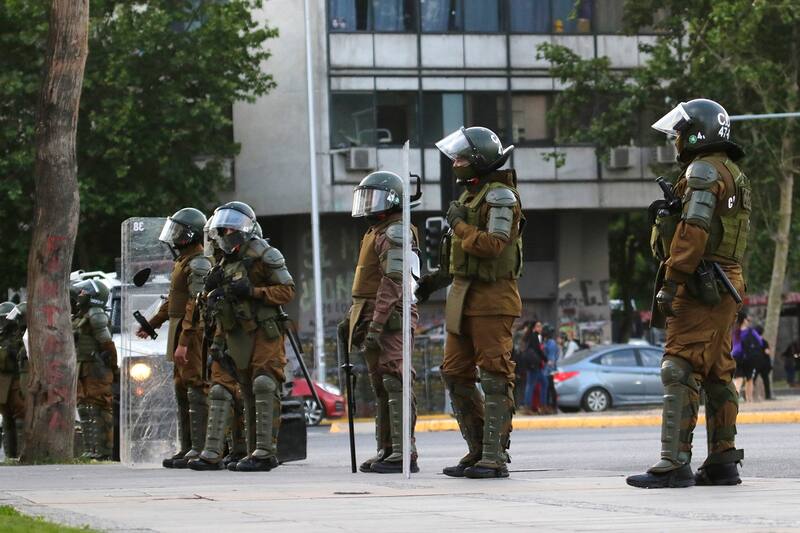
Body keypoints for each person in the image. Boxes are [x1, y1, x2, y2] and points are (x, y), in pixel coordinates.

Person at [628, 99, 750, 488]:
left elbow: (693, 231)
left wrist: (672, 281)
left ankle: (674, 463)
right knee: (717, 370)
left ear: (697, 134)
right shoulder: (732, 172)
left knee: (679, 365)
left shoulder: (701, 170)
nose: (676, 140)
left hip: (702, 281)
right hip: (725, 279)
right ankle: (722, 461)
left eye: (680, 132)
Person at [417, 126, 524, 478]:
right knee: (454, 373)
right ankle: (477, 448)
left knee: (494, 375)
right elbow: (456, 259)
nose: (456, 164)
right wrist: (429, 284)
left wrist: (461, 227)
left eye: (462, 158)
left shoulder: (501, 197)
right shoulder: (468, 198)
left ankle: (494, 456)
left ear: (479, 160)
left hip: (492, 297)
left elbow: (493, 246)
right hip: (462, 296)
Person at [187, 201, 295, 472]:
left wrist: (254, 292)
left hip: (263, 331)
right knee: (225, 388)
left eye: (229, 228)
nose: (225, 233)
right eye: (221, 229)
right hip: (230, 332)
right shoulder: (222, 261)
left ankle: (264, 452)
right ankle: (215, 452)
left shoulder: (265, 254)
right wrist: (210, 294)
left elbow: (287, 291)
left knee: (263, 385)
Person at [338, 171, 421, 474]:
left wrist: (377, 323)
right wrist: (354, 318)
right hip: (373, 314)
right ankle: (386, 449)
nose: (368, 205)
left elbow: (394, 281)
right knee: (381, 385)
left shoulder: (397, 230)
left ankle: (403, 452)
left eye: (374, 198)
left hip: (391, 317)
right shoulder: (378, 231)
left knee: (395, 381)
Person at [137, 208, 211, 468]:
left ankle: (201, 447)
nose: (174, 236)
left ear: (190, 234)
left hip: (191, 331)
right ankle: (188, 447)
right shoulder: (184, 261)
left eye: (179, 231)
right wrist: (151, 323)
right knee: (182, 389)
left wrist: (184, 342)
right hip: (180, 329)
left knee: (195, 386)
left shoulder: (199, 262)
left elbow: (195, 304)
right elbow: (174, 302)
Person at [72, 280, 117, 460]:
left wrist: (113, 367)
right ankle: (90, 449)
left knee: (100, 408)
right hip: (83, 366)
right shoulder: (81, 315)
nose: (80, 295)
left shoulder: (96, 315)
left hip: (96, 368)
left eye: (84, 292)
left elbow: (107, 344)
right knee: (85, 409)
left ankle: (104, 451)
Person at [0, 302, 26, 458]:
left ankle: (23, 454)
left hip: (16, 380)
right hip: (4, 383)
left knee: (20, 419)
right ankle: (11, 456)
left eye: (4, 318)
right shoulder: (3, 335)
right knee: (7, 420)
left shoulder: (20, 334)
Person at [731, 313, 764, 402]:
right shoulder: (751, 331)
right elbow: (760, 342)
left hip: (737, 357)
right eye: (748, 320)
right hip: (749, 358)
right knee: (749, 379)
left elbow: (734, 347)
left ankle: (735, 400)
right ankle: (749, 400)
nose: (748, 322)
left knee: (738, 379)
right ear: (744, 320)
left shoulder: (735, 332)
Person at [522, 321, 545, 412]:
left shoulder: (529, 336)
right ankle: (529, 406)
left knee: (542, 383)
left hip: (532, 365)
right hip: (534, 365)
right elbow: (538, 351)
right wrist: (546, 359)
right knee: (531, 385)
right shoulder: (534, 336)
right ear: (534, 328)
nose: (540, 328)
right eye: (538, 326)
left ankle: (538, 405)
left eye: (541, 326)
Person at [752, 325, 773, 400]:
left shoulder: (753, 342)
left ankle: (748, 396)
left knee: (752, 380)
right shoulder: (764, 342)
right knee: (766, 381)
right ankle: (768, 396)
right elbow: (767, 352)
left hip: (755, 364)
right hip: (764, 364)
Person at [542, 324, 559, 414]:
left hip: (549, 370)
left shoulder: (551, 343)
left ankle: (553, 407)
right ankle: (551, 406)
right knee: (549, 388)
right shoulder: (547, 342)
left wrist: (547, 371)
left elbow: (551, 360)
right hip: (547, 369)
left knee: (550, 388)